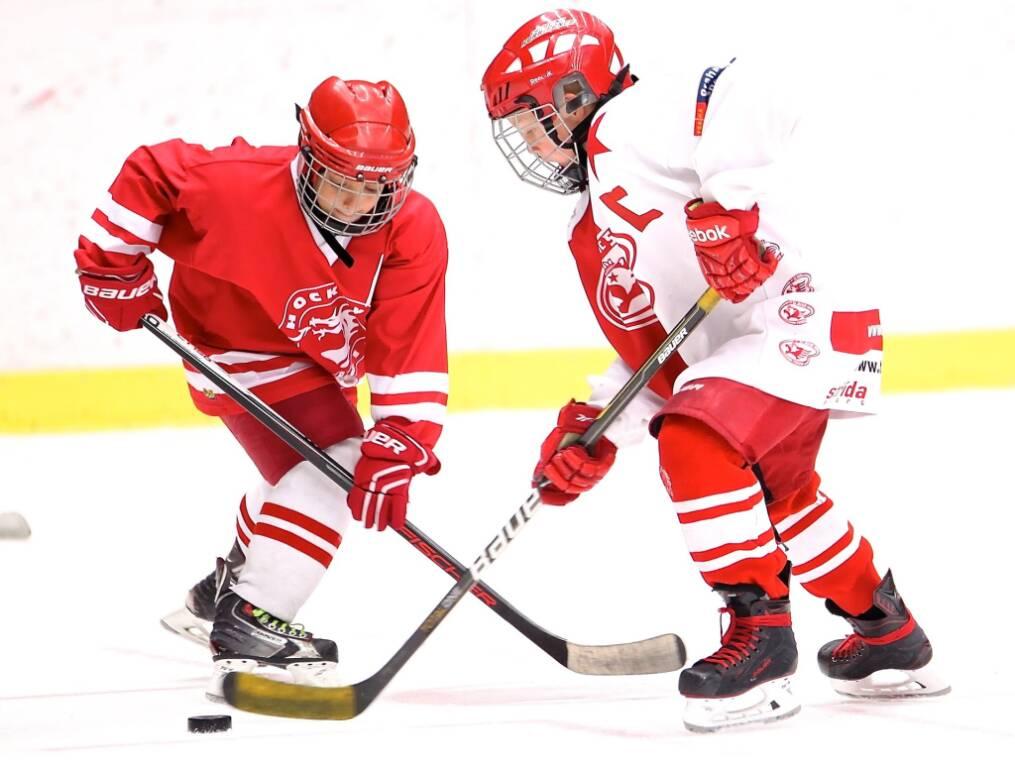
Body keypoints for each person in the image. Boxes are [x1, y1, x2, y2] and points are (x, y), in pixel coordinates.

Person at [480, 9, 948, 731]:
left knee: (694, 440)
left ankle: (761, 637)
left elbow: (753, 93)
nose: (530, 142)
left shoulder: (633, 116)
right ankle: (888, 633)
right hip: (751, 354)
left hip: (798, 308)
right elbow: (657, 353)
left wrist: (730, 211)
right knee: (783, 496)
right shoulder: (587, 223)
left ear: (573, 93)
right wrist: (598, 424)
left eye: (531, 118)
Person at [74, 76, 448, 694]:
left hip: (316, 364)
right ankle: (253, 619)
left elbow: (410, 339)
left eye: (376, 184)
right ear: (308, 157)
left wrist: (404, 437)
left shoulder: (413, 228)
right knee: (337, 470)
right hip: (232, 346)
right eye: (342, 181)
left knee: (321, 470)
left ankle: (224, 590)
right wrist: (110, 264)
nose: (358, 202)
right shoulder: (238, 185)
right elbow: (151, 172)